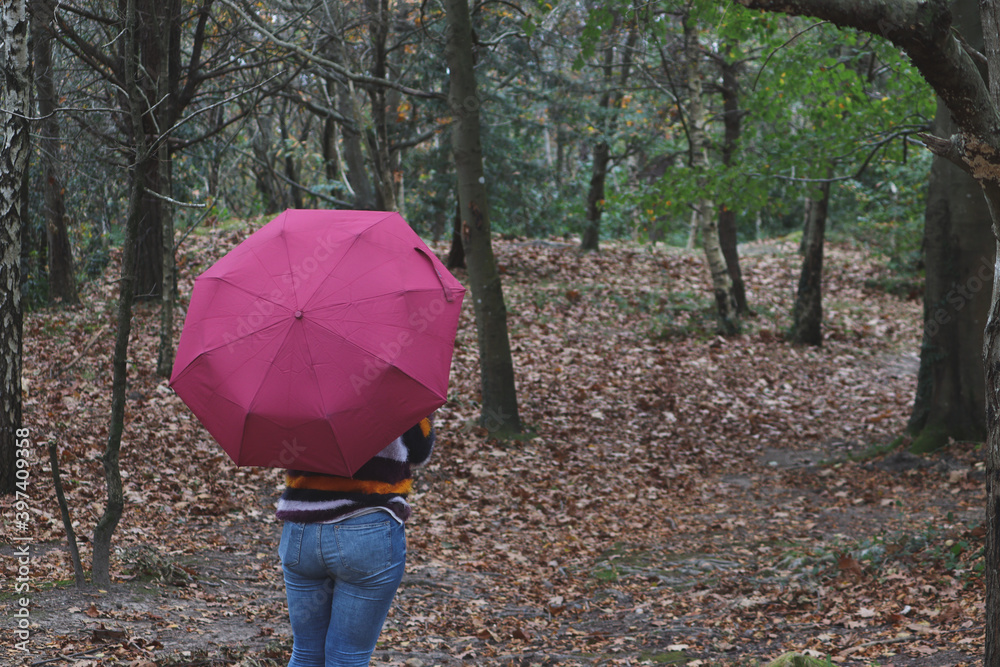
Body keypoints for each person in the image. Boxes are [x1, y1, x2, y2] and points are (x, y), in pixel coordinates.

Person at [275, 417, 436, 667]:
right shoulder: (395, 387)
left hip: (301, 531)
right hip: (365, 530)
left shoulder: (298, 385)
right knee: (347, 657)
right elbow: (419, 452)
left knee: (306, 653)